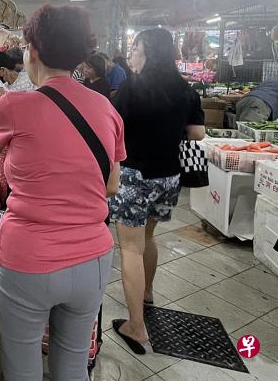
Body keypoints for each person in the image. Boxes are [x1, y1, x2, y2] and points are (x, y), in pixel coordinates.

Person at [0, 5, 125, 381]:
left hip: (27, 258)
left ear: (33, 51)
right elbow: (111, 185)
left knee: (22, 359)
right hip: (92, 257)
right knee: (73, 361)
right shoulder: (107, 109)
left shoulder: (14, 103)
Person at [109, 28, 205, 355]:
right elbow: (198, 133)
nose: (132, 54)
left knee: (130, 249)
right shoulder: (185, 90)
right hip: (168, 176)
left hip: (135, 175)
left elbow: (109, 126)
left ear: (147, 51)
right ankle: (146, 293)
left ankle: (136, 326)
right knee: (148, 238)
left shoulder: (130, 89)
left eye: (135, 48)